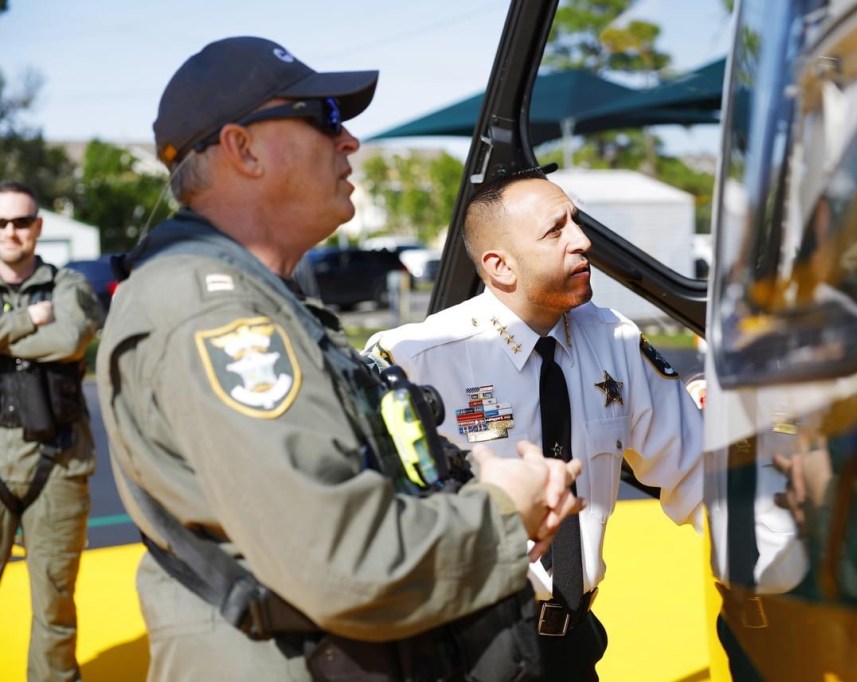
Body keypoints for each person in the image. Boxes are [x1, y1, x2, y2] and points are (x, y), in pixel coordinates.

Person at [95, 36, 584, 682]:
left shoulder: (260, 302)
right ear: (241, 148)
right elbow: (345, 558)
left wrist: (475, 483)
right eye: (323, 116)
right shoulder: (212, 314)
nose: (349, 140)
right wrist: (500, 509)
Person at [364, 169, 705, 680]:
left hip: (571, 646)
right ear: (500, 266)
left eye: (576, 221)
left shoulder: (614, 341)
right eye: (556, 230)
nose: (583, 240)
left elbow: (701, 478)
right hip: (462, 652)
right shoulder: (416, 359)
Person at [0, 181, 102, 682]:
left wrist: (6, 336)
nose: (11, 232)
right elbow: (49, 335)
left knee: (55, 604)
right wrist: (27, 321)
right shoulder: (39, 302)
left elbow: (72, 337)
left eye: (21, 222)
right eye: (0, 224)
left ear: (38, 227)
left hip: (58, 462)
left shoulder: (70, 286)